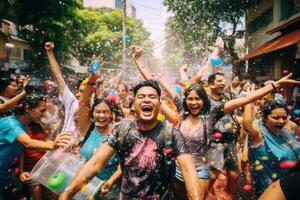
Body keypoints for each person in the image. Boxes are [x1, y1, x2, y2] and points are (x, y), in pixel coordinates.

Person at [59, 79, 202, 200]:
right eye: (141, 96)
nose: (146, 99)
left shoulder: (171, 133)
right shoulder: (121, 129)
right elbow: (94, 164)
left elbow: (188, 170)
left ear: (160, 104)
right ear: (133, 103)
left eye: (152, 97)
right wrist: (67, 192)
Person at [0, 94, 71, 199]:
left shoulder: (23, 126)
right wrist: (51, 145)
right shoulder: (10, 124)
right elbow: (27, 143)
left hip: (5, 174)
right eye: (42, 110)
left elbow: (21, 150)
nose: (44, 114)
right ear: (28, 109)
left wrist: (21, 170)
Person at [243, 99, 300, 198]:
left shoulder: (287, 132)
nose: (281, 121)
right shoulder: (259, 135)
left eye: (284, 117)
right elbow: (247, 124)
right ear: (264, 118)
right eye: (276, 117)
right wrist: (249, 98)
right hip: (269, 188)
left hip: (291, 184)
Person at [77, 71, 120, 199]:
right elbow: (83, 103)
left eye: (106, 112)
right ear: (92, 113)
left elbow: (122, 167)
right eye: (98, 112)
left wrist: (110, 182)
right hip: (82, 188)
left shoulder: (118, 133)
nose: (101, 116)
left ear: (111, 114)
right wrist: (92, 81)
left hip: (108, 191)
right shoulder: (87, 128)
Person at [172, 84, 211, 200]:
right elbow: (164, 88)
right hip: (179, 169)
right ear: (185, 100)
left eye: (197, 99)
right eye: (190, 99)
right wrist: (140, 65)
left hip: (200, 169)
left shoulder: (210, 117)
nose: (193, 102)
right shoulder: (182, 113)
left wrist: (269, 87)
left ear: (203, 100)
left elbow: (243, 100)